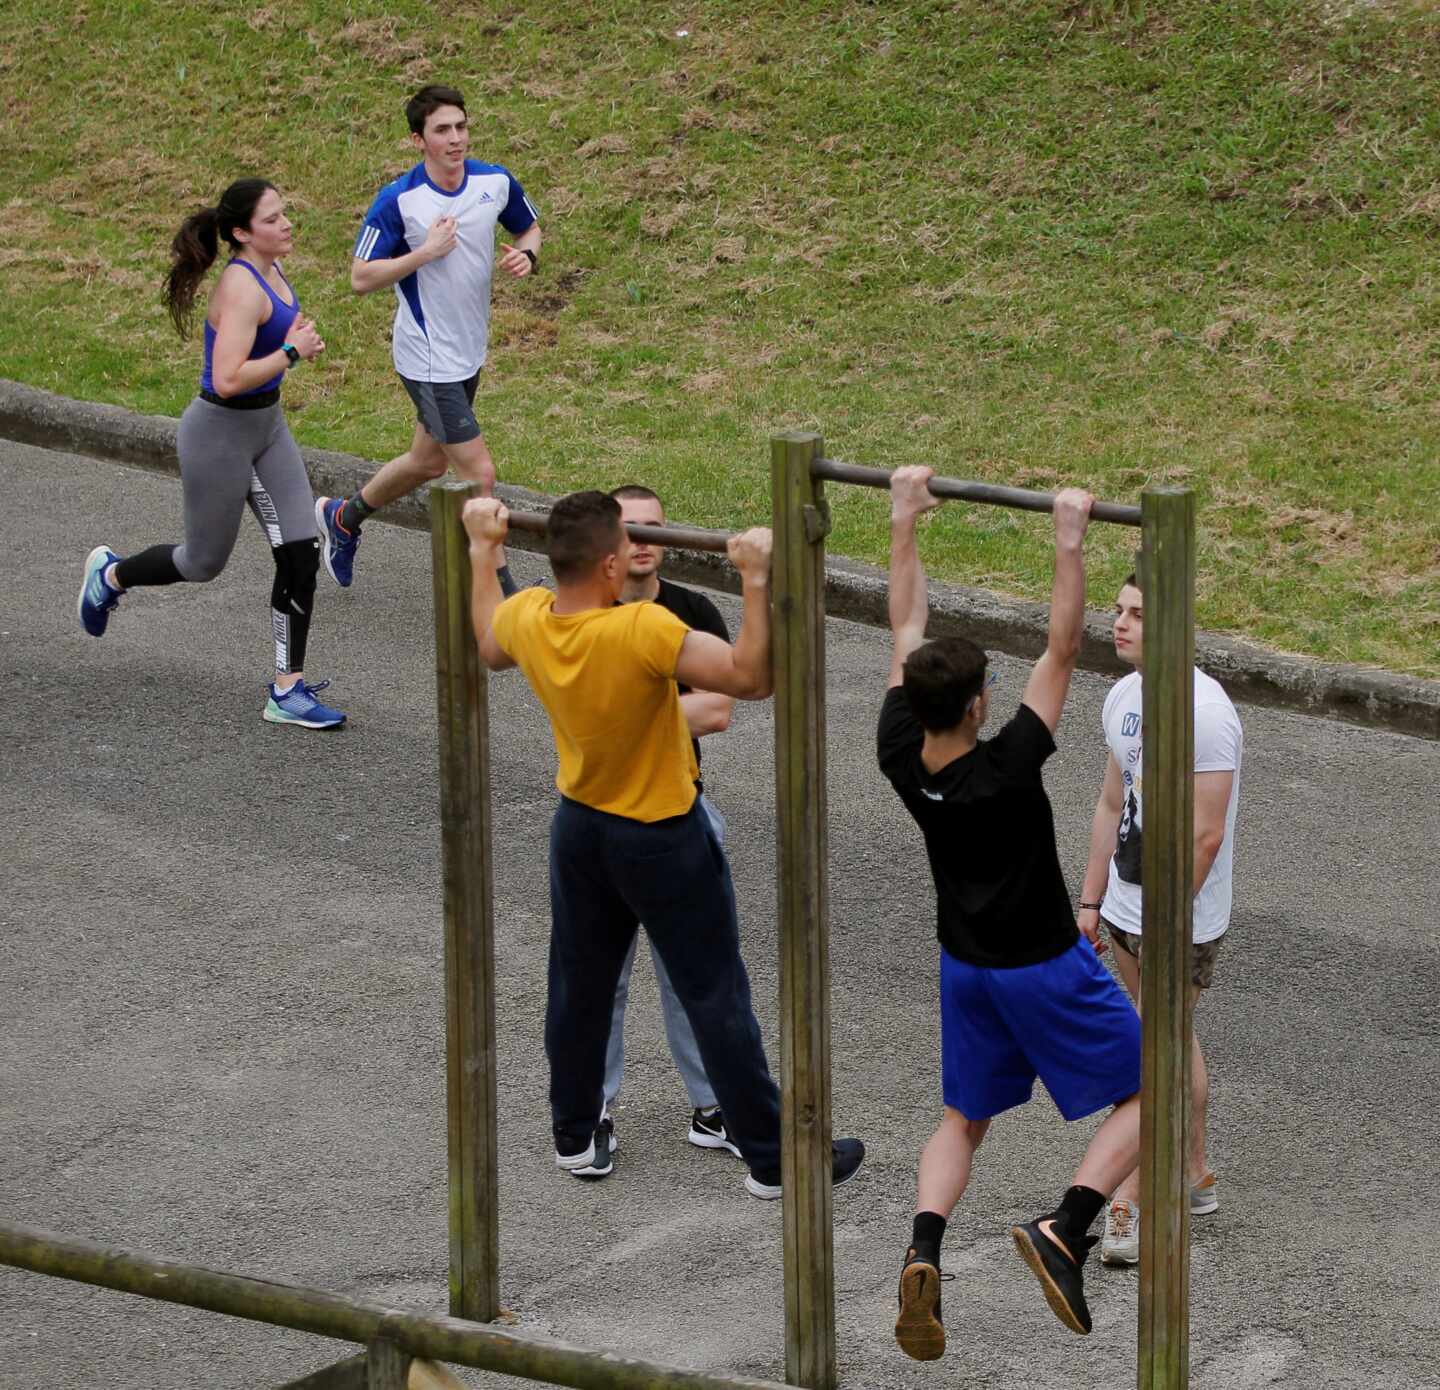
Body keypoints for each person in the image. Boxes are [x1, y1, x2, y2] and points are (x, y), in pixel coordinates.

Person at [460, 490, 864, 1196]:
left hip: (580, 829)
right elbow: (752, 678)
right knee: (715, 993)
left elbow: (487, 645)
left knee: (579, 987)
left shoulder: (528, 616)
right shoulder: (642, 628)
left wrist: (481, 550)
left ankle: (576, 1134)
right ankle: (772, 1159)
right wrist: (756, 576)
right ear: (613, 564)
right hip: (660, 837)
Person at [880, 466, 1141, 1354]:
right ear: (981, 703)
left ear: (917, 704)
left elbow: (903, 624)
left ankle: (924, 1248)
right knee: (1161, 1091)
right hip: (1043, 966)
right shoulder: (1010, 765)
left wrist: (903, 521)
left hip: (967, 970)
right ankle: (1068, 1224)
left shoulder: (901, 755)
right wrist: (1069, 536)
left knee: (964, 1120)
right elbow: (1061, 650)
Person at [77, 178, 344, 730]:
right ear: (244, 233)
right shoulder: (241, 286)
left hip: (266, 427)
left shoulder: (273, 269)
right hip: (219, 435)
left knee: (299, 550)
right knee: (202, 564)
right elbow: (226, 379)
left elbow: (262, 345)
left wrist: (289, 337)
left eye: (284, 213)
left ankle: (286, 689)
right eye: (273, 219)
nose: (287, 223)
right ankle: (110, 576)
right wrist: (293, 351)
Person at [1076, 573, 1243, 1267]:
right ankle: (1195, 1171)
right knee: (1167, 1034)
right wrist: (1090, 902)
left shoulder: (1207, 713)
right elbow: (1113, 804)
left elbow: (1204, 836)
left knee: (1153, 1053)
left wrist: (1168, 925)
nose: (1119, 624)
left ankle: (1130, 1202)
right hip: (1123, 908)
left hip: (1181, 921)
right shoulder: (1122, 697)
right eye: (1118, 611)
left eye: (1138, 614)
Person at [314, 83, 541, 594]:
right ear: (418, 139)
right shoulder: (400, 200)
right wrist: (425, 252)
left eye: (461, 127)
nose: (456, 139)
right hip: (428, 359)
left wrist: (527, 256)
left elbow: (529, 229)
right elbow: (360, 277)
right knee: (479, 474)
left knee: (428, 461)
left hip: (467, 352)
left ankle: (343, 518)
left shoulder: (495, 182)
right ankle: (506, 595)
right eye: (442, 130)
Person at [603, 484, 741, 1159]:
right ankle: (590, 1110)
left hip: (684, 808)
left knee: (700, 972)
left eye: (655, 527)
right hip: (598, 816)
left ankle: (713, 1108)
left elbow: (717, 710)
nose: (643, 541)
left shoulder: (691, 612)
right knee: (601, 975)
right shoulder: (584, 610)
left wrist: (619, 713)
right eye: (629, 529)